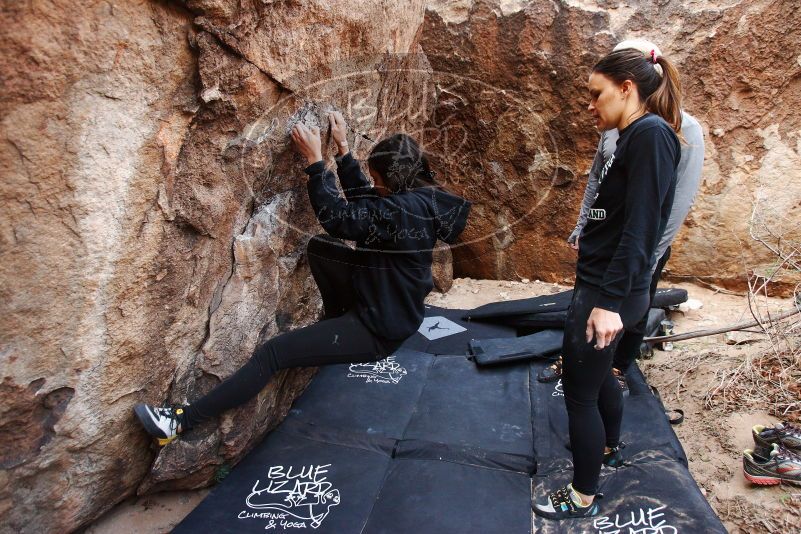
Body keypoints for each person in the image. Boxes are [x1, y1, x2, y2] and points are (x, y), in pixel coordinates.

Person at [134, 112, 471, 445]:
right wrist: (343, 151)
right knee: (324, 249)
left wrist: (315, 162)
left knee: (274, 354)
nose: (374, 185)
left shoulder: (398, 209)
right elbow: (368, 207)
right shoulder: (420, 201)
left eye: (376, 178)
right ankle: (339, 321)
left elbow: (340, 218)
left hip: (377, 331)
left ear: (391, 180)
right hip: (386, 307)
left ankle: (179, 423)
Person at [532, 46, 683, 520]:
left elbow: (642, 229)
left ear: (627, 89)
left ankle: (581, 495)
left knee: (579, 393)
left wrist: (610, 303)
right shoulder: (635, 136)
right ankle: (611, 448)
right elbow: (621, 217)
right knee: (597, 383)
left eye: (596, 94)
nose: (590, 104)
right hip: (605, 288)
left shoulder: (651, 136)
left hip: (607, 294)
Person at [538, 39, 704, 393]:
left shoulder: (674, 129)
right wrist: (586, 225)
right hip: (610, 242)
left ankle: (617, 369)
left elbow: (670, 204)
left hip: (640, 247)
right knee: (587, 317)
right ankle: (585, 363)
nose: (593, 103)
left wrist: (645, 258)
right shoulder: (618, 124)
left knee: (628, 313)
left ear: (630, 82)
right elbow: (598, 177)